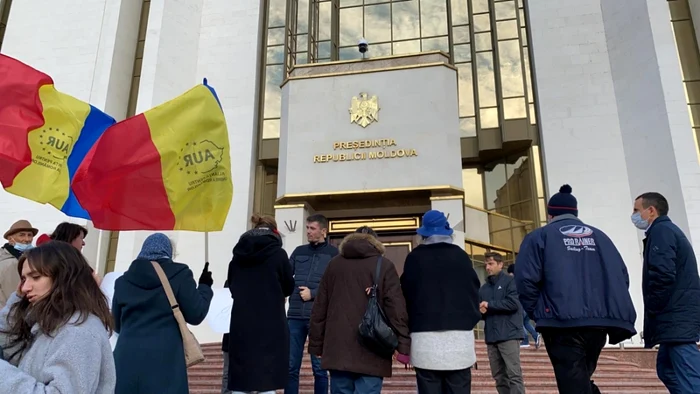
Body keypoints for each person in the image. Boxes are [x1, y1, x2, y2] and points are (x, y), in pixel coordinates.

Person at [515, 184, 637, 394]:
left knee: (573, 383)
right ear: (575, 213)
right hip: (598, 324)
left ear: (550, 213)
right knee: (580, 379)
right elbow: (622, 277)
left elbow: (525, 280)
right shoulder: (601, 238)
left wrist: (539, 311)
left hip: (562, 324)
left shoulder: (539, 237)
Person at [0, 241, 115, 393]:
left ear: (63, 276)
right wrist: (18, 300)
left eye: (35, 277)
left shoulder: (78, 331)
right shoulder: (53, 322)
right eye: (23, 279)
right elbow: (9, 347)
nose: (25, 288)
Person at [309, 226, 410, 394]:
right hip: (374, 347)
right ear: (375, 243)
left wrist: (316, 345)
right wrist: (403, 345)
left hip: (338, 348)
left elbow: (320, 307)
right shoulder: (384, 265)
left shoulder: (334, 265)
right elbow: (396, 308)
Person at [112, 233, 214, 394]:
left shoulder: (122, 282)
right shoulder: (180, 274)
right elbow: (196, 313)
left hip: (126, 359)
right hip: (165, 361)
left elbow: (116, 325)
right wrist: (205, 287)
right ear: (168, 252)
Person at [401, 210, 481, 394]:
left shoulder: (414, 258)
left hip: (424, 339)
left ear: (424, 233)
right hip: (459, 338)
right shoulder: (460, 256)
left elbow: (405, 294)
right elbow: (474, 290)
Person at [632, 192, 700, 392]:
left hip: (676, 318)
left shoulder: (662, 232)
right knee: (666, 369)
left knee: (687, 374)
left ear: (651, 211)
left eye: (637, 210)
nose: (634, 215)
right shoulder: (665, 231)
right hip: (675, 317)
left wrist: (654, 306)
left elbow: (662, 274)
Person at [226, 214, 295, 394]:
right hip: (271, 321)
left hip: (242, 321)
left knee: (241, 375)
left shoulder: (237, 256)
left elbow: (231, 285)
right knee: (267, 376)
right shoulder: (279, 254)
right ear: (274, 231)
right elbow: (289, 286)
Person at [286, 214, 338, 394]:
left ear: (323, 231)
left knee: (320, 368)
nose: (308, 232)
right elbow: (285, 277)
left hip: (319, 318)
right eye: (307, 228)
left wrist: (313, 294)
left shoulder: (334, 254)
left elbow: (337, 285)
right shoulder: (298, 251)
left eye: (312, 228)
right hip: (294, 317)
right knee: (291, 367)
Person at [480, 252, 525, 394]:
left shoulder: (511, 282)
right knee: (499, 377)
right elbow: (484, 311)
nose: (487, 267)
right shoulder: (484, 288)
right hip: (492, 337)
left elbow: (513, 304)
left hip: (509, 335)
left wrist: (489, 305)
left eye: (491, 263)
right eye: (486, 264)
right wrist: (481, 310)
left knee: (514, 375)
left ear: (501, 264)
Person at [0, 220, 38, 309]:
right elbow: (16, 296)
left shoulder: (17, 259)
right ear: (10, 239)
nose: (27, 239)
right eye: (22, 235)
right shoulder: (13, 263)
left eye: (30, 235)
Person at [507, 264, 540, 349]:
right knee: (526, 323)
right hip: (527, 305)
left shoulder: (513, 281)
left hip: (520, 305)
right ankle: (536, 336)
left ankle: (525, 340)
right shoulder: (523, 279)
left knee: (520, 322)